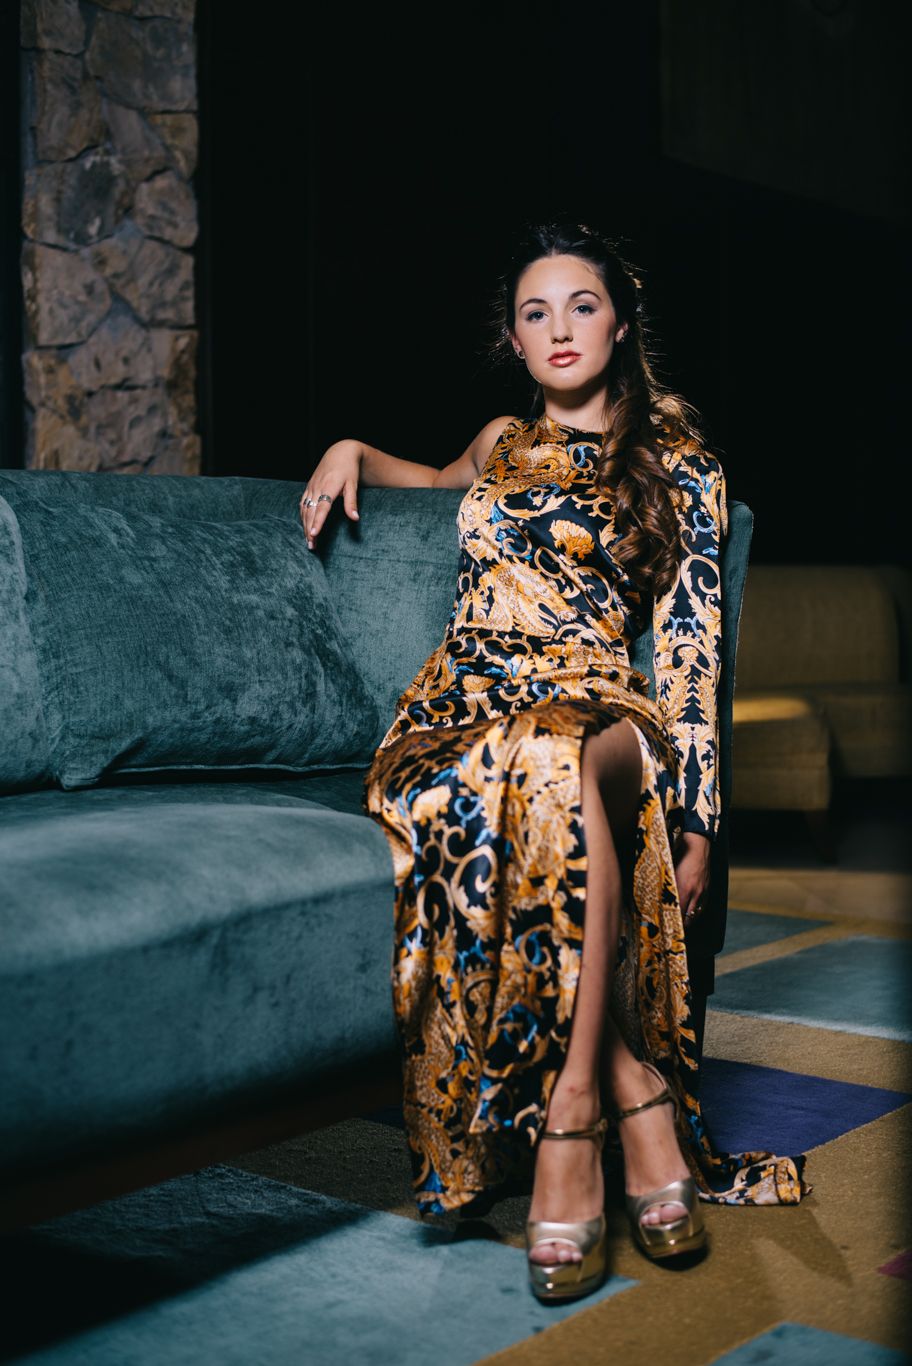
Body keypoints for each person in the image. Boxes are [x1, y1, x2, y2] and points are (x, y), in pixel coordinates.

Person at [299, 221, 808, 1303]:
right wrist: (350, 449)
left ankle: (569, 1114)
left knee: (556, 751)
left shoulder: (681, 465)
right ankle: (629, 1088)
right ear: (516, 340)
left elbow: (691, 653)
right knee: (524, 759)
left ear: (621, 325)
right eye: (536, 313)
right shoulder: (499, 442)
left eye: (582, 305)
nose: (559, 328)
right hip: (459, 707)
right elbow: (426, 477)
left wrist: (700, 822)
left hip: (602, 705)